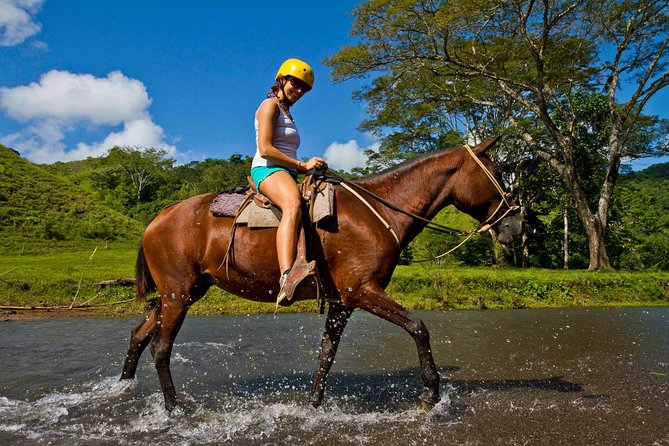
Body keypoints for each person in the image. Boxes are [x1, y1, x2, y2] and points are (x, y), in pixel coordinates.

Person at [250, 58, 327, 305]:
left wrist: (308, 168)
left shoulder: (288, 115)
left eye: (305, 88)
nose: (300, 91)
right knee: (292, 204)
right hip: (268, 169)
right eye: (296, 83)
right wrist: (302, 166)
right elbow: (266, 149)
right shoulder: (269, 106)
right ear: (281, 80)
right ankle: (287, 277)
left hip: (288, 172)